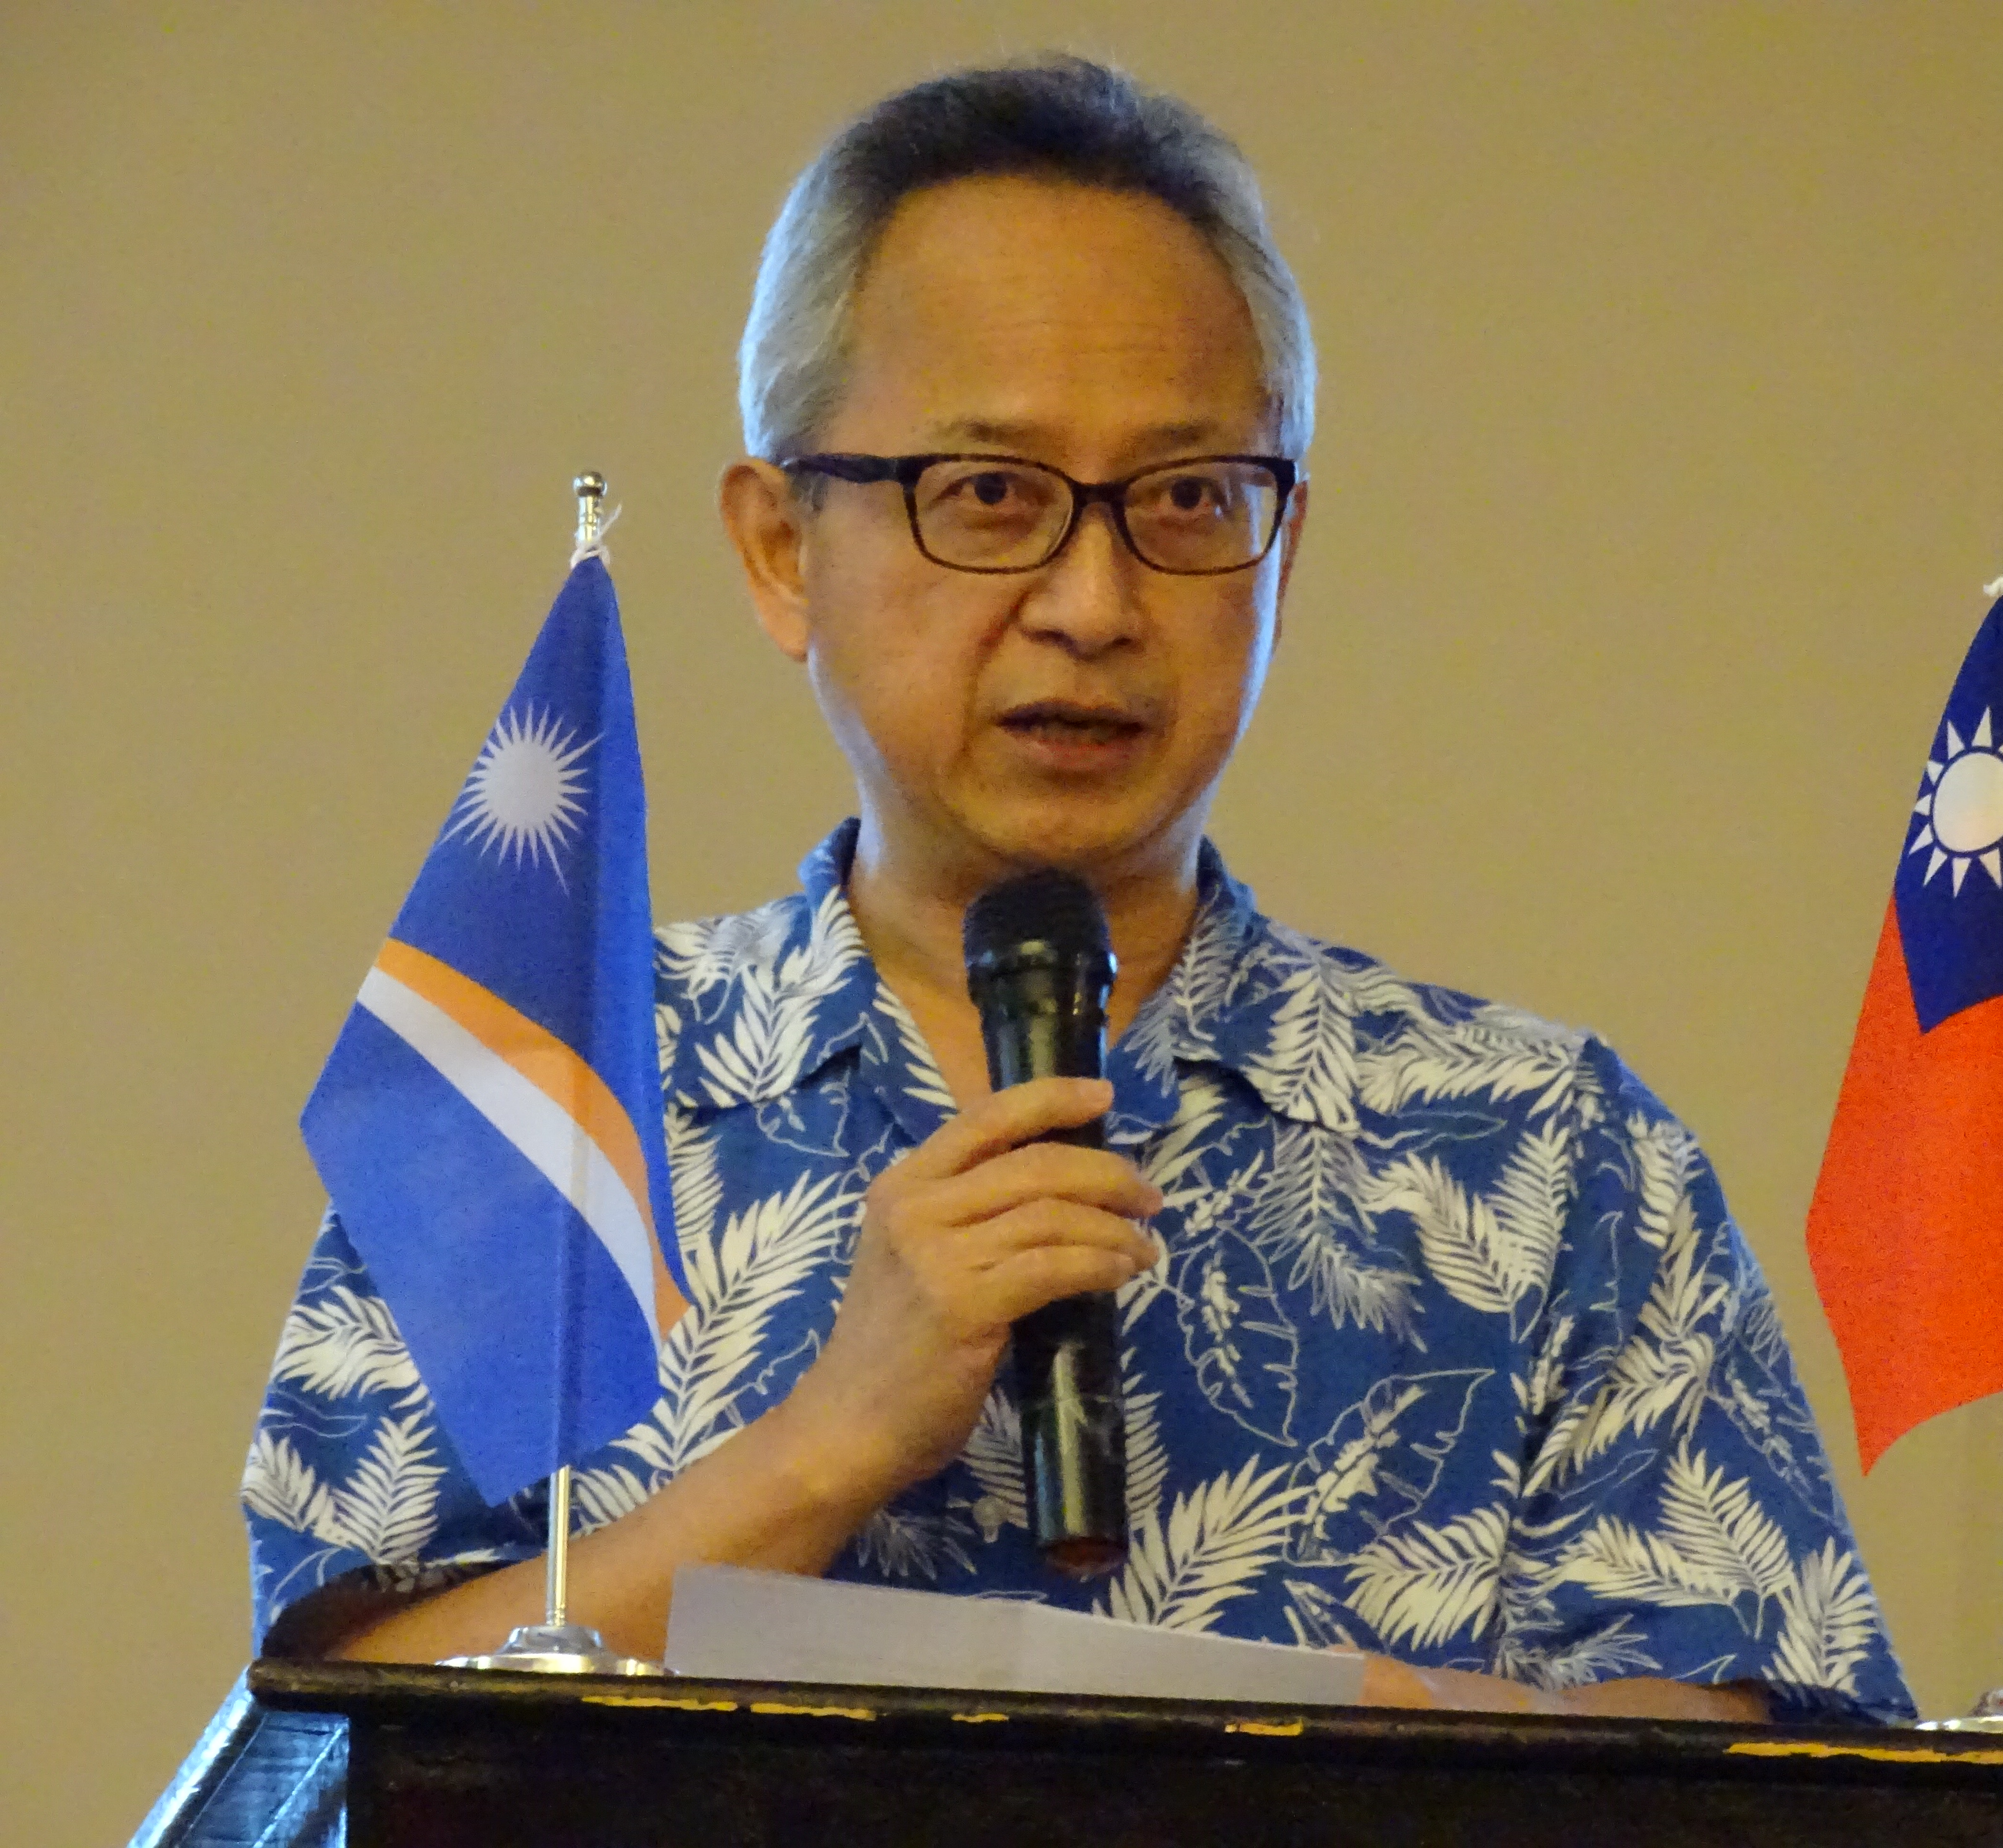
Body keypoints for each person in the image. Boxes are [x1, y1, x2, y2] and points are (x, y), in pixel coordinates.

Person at [243, 56, 1916, 1725]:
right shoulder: (538, 1095)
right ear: (780, 548)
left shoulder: (1548, 1150)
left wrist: (1359, 1744)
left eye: (1188, 500)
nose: (1095, 604)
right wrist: (826, 1447)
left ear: (1284, 548)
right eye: (992, 496)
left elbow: (1777, 1761)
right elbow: (323, 1748)